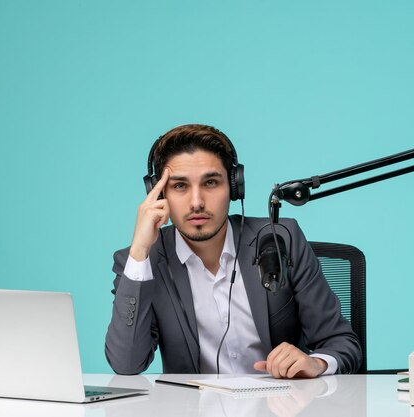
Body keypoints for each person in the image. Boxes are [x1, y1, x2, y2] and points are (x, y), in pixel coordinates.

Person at [105, 124, 362, 378]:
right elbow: (126, 363)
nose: (197, 202)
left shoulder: (282, 238)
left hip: (282, 407)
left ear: (234, 187)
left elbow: (342, 343)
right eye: (180, 186)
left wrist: (316, 363)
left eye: (211, 182)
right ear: (158, 194)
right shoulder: (143, 261)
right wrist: (139, 251)